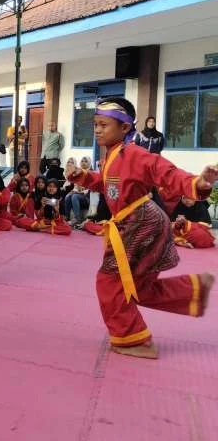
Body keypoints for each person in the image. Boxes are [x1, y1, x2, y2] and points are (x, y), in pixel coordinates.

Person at [68, 97, 217, 359]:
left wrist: (198, 183)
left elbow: (165, 172)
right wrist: (80, 177)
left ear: (125, 128)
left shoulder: (134, 154)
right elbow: (108, 185)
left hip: (139, 224)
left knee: (109, 282)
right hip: (138, 222)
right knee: (137, 287)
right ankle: (192, 291)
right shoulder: (111, 155)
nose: (98, 130)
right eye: (96, 124)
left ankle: (133, 340)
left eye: (104, 124)